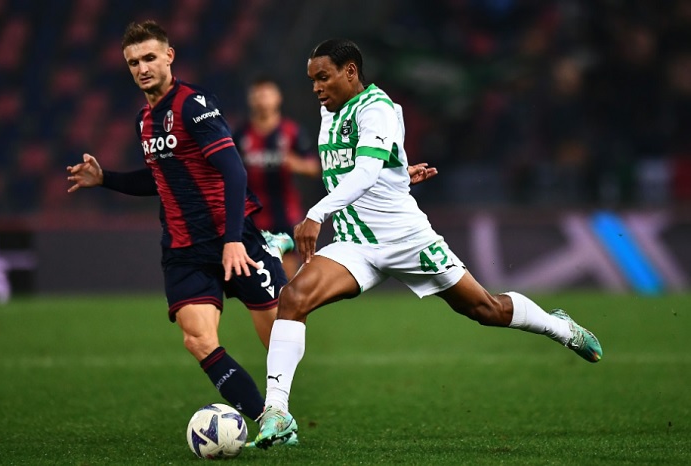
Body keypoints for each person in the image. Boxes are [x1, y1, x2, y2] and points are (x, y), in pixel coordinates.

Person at [251, 38, 603, 449]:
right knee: (294, 298)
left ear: (351, 71)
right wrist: (399, 174)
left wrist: (316, 213)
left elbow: (365, 170)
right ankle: (277, 412)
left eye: (323, 77)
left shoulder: (377, 109)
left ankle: (560, 327)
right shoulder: (330, 110)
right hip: (355, 243)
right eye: (312, 79)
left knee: (485, 309)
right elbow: (363, 166)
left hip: (406, 239)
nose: (316, 88)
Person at [66, 20, 298, 445]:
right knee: (198, 339)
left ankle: (269, 246)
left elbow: (234, 170)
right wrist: (105, 179)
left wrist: (233, 239)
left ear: (169, 56)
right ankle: (271, 420)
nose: (142, 68)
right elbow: (160, 178)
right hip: (184, 249)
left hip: (233, 239)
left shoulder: (194, 105)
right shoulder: (144, 120)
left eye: (150, 58)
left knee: (280, 338)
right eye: (133, 62)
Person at [233, 77, 321, 280]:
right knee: (255, 276)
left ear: (278, 98)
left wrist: (295, 163)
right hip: (251, 215)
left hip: (285, 213)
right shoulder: (240, 134)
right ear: (250, 99)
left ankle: (286, 301)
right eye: (257, 95)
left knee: (286, 276)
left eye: (266, 94)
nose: (262, 99)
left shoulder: (291, 131)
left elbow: (314, 168)